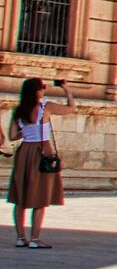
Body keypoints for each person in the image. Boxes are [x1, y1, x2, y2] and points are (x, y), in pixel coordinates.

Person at [10, 78, 67, 248]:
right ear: (36, 91)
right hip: (42, 152)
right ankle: (35, 239)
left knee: (20, 196)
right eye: (42, 87)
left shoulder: (18, 111)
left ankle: (21, 238)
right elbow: (71, 108)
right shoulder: (45, 107)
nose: (44, 89)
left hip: (24, 153)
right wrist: (67, 90)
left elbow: (12, 136)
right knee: (40, 197)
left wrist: (26, 132)